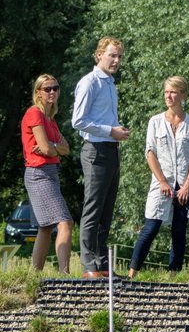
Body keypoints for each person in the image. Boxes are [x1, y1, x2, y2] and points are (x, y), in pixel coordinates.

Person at [128, 76, 189, 276]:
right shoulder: (155, 122)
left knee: (179, 231)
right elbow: (149, 152)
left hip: (184, 184)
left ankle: (173, 275)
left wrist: (187, 185)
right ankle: (132, 273)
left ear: (183, 95)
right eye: (166, 92)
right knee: (151, 227)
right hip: (162, 182)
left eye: (173, 92)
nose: (168, 96)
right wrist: (162, 180)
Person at [72, 37, 131, 278]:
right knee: (93, 208)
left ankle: (103, 264)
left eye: (119, 56)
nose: (116, 60)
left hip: (111, 149)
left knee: (107, 210)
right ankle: (89, 266)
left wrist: (117, 131)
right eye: (112, 55)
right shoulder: (90, 82)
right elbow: (78, 121)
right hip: (96, 151)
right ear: (99, 55)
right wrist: (110, 131)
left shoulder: (109, 83)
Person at [21, 73, 73, 274]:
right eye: (47, 89)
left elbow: (65, 148)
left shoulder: (50, 119)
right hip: (38, 173)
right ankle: (65, 274)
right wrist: (53, 147)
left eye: (55, 88)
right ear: (38, 93)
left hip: (51, 172)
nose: (52, 92)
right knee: (65, 221)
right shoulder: (35, 113)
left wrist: (52, 146)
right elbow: (48, 149)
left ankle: (34, 275)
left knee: (44, 227)